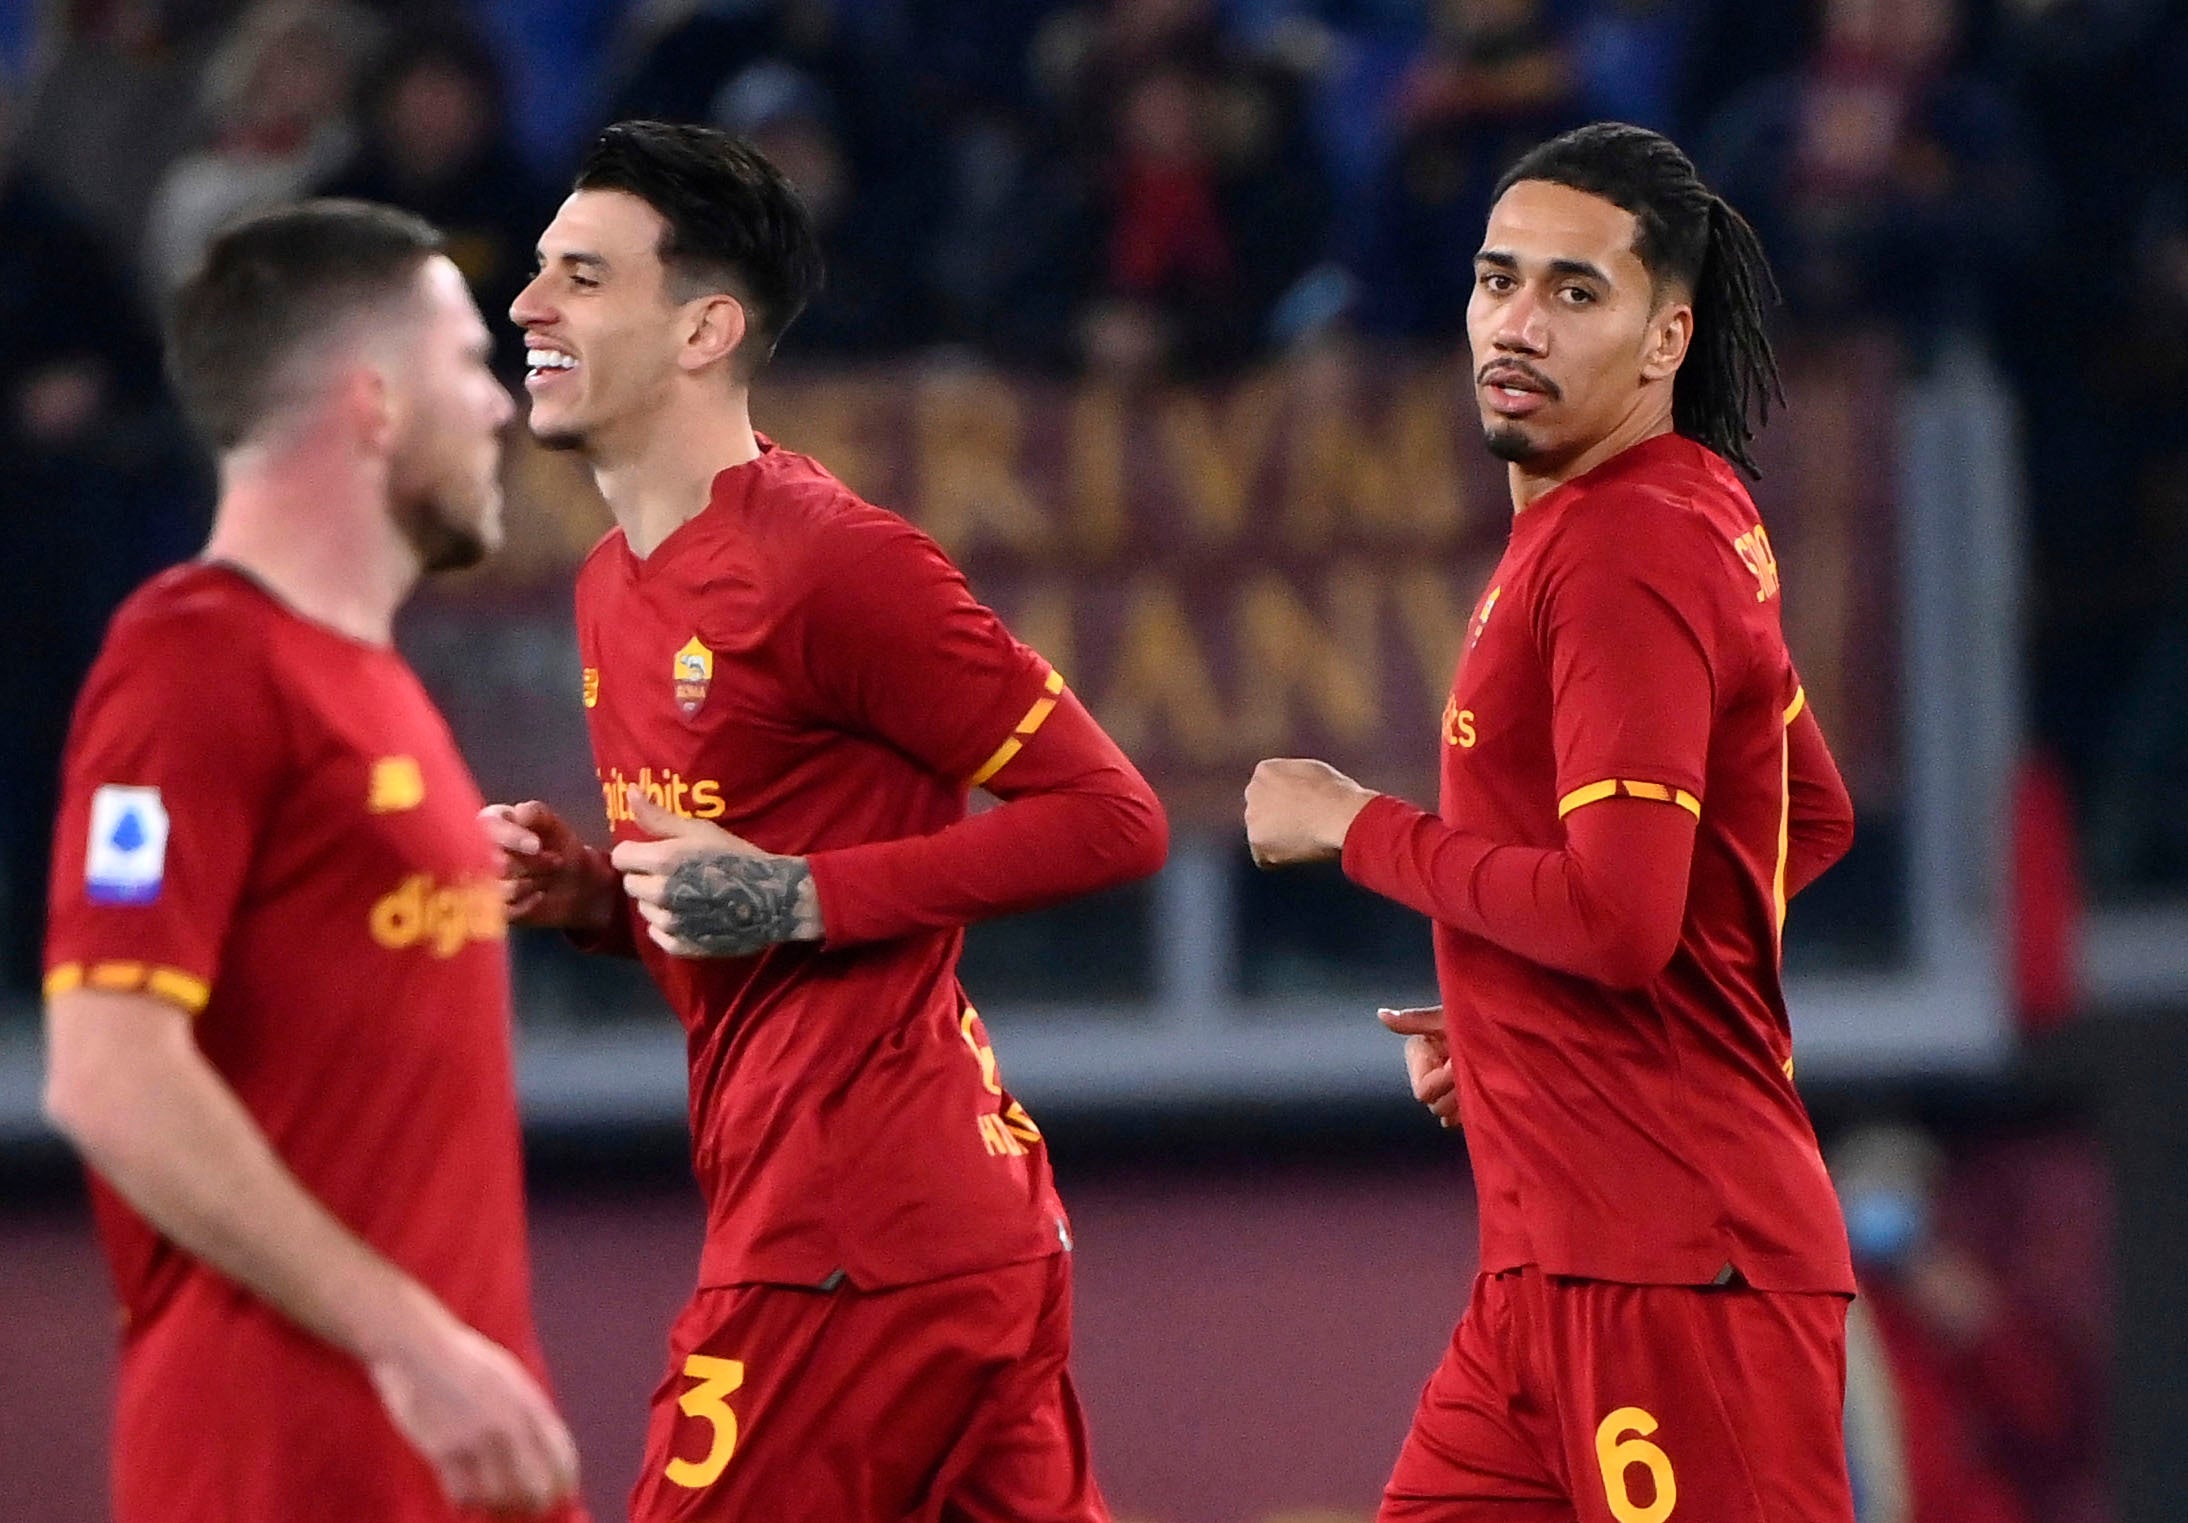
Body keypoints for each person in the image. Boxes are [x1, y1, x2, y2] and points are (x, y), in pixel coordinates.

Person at [489, 121, 1168, 1523]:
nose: (528, 306)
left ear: (705, 330)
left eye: (581, 277)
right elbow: (739, 892)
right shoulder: (615, 582)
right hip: (926, 1221)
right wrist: (599, 903)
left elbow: (1113, 819)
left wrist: (800, 896)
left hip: (855, 1230)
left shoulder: (834, 563)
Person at [1244, 121, 1860, 1522]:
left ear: (1664, 341)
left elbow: (1624, 922)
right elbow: (1803, 814)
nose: (1516, 324)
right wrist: (1521, 1011)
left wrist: (1356, 829)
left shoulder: (1625, 548)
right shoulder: (1663, 510)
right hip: (1549, 1274)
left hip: (1676, 1273)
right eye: (1495, 280)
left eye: (1575, 293)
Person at [41, 200, 584, 1523]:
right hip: (279, 1464)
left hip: (442, 1456)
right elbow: (108, 1073)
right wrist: (412, 1341)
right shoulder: (193, 663)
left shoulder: (367, 688)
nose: (501, 406)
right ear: (375, 402)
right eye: (467, 361)